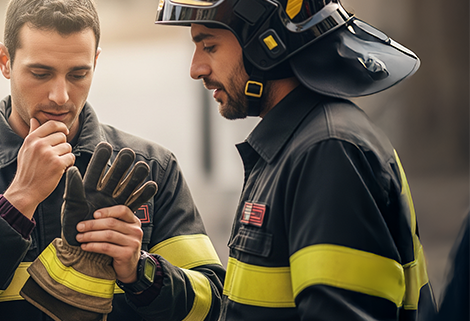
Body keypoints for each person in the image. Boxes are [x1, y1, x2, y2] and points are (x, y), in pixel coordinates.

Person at [0, 0, 225, 320]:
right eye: (40, 73)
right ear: (4, 61)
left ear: (96, 62)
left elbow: (213, 305)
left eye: (78, 74)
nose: (60, 95)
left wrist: (140, 270)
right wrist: (18, 201)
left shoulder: (153, 168)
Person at [155, 0, 436, 320]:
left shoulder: (328, 153)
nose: (196, 69)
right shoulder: (296, 147)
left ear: (266, 46)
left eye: (209, 46)